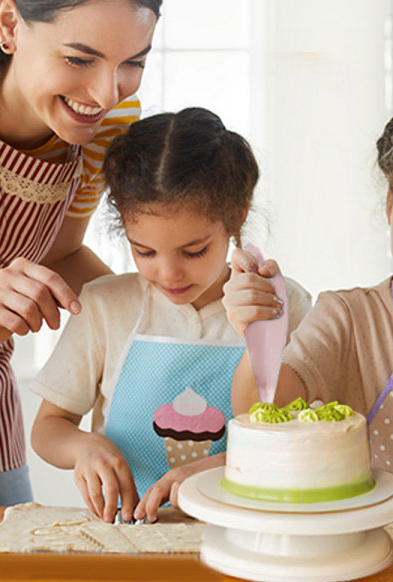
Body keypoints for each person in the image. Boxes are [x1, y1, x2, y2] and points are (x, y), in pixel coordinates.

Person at [0, 0, 161, 506]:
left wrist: (174, 314)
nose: (107, 93)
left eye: (133, 63)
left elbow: (61, 254)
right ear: (10, 23)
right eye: (80, 60)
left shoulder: (107, 121)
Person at [30, 107, 312, 523]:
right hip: (127, 535)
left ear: (238, 214)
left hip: (247, 527)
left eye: (193, 251)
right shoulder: (106, 305)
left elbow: (304, 439)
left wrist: (220, 469)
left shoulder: (283, 307)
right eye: (144, 251)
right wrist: (83, 447)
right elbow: (48, 428)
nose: (168, 273)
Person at [224, 107, 393, 513]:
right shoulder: (347, 318)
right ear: (389, 207)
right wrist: (257, 337)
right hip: (369, 544)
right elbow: (261, 410)